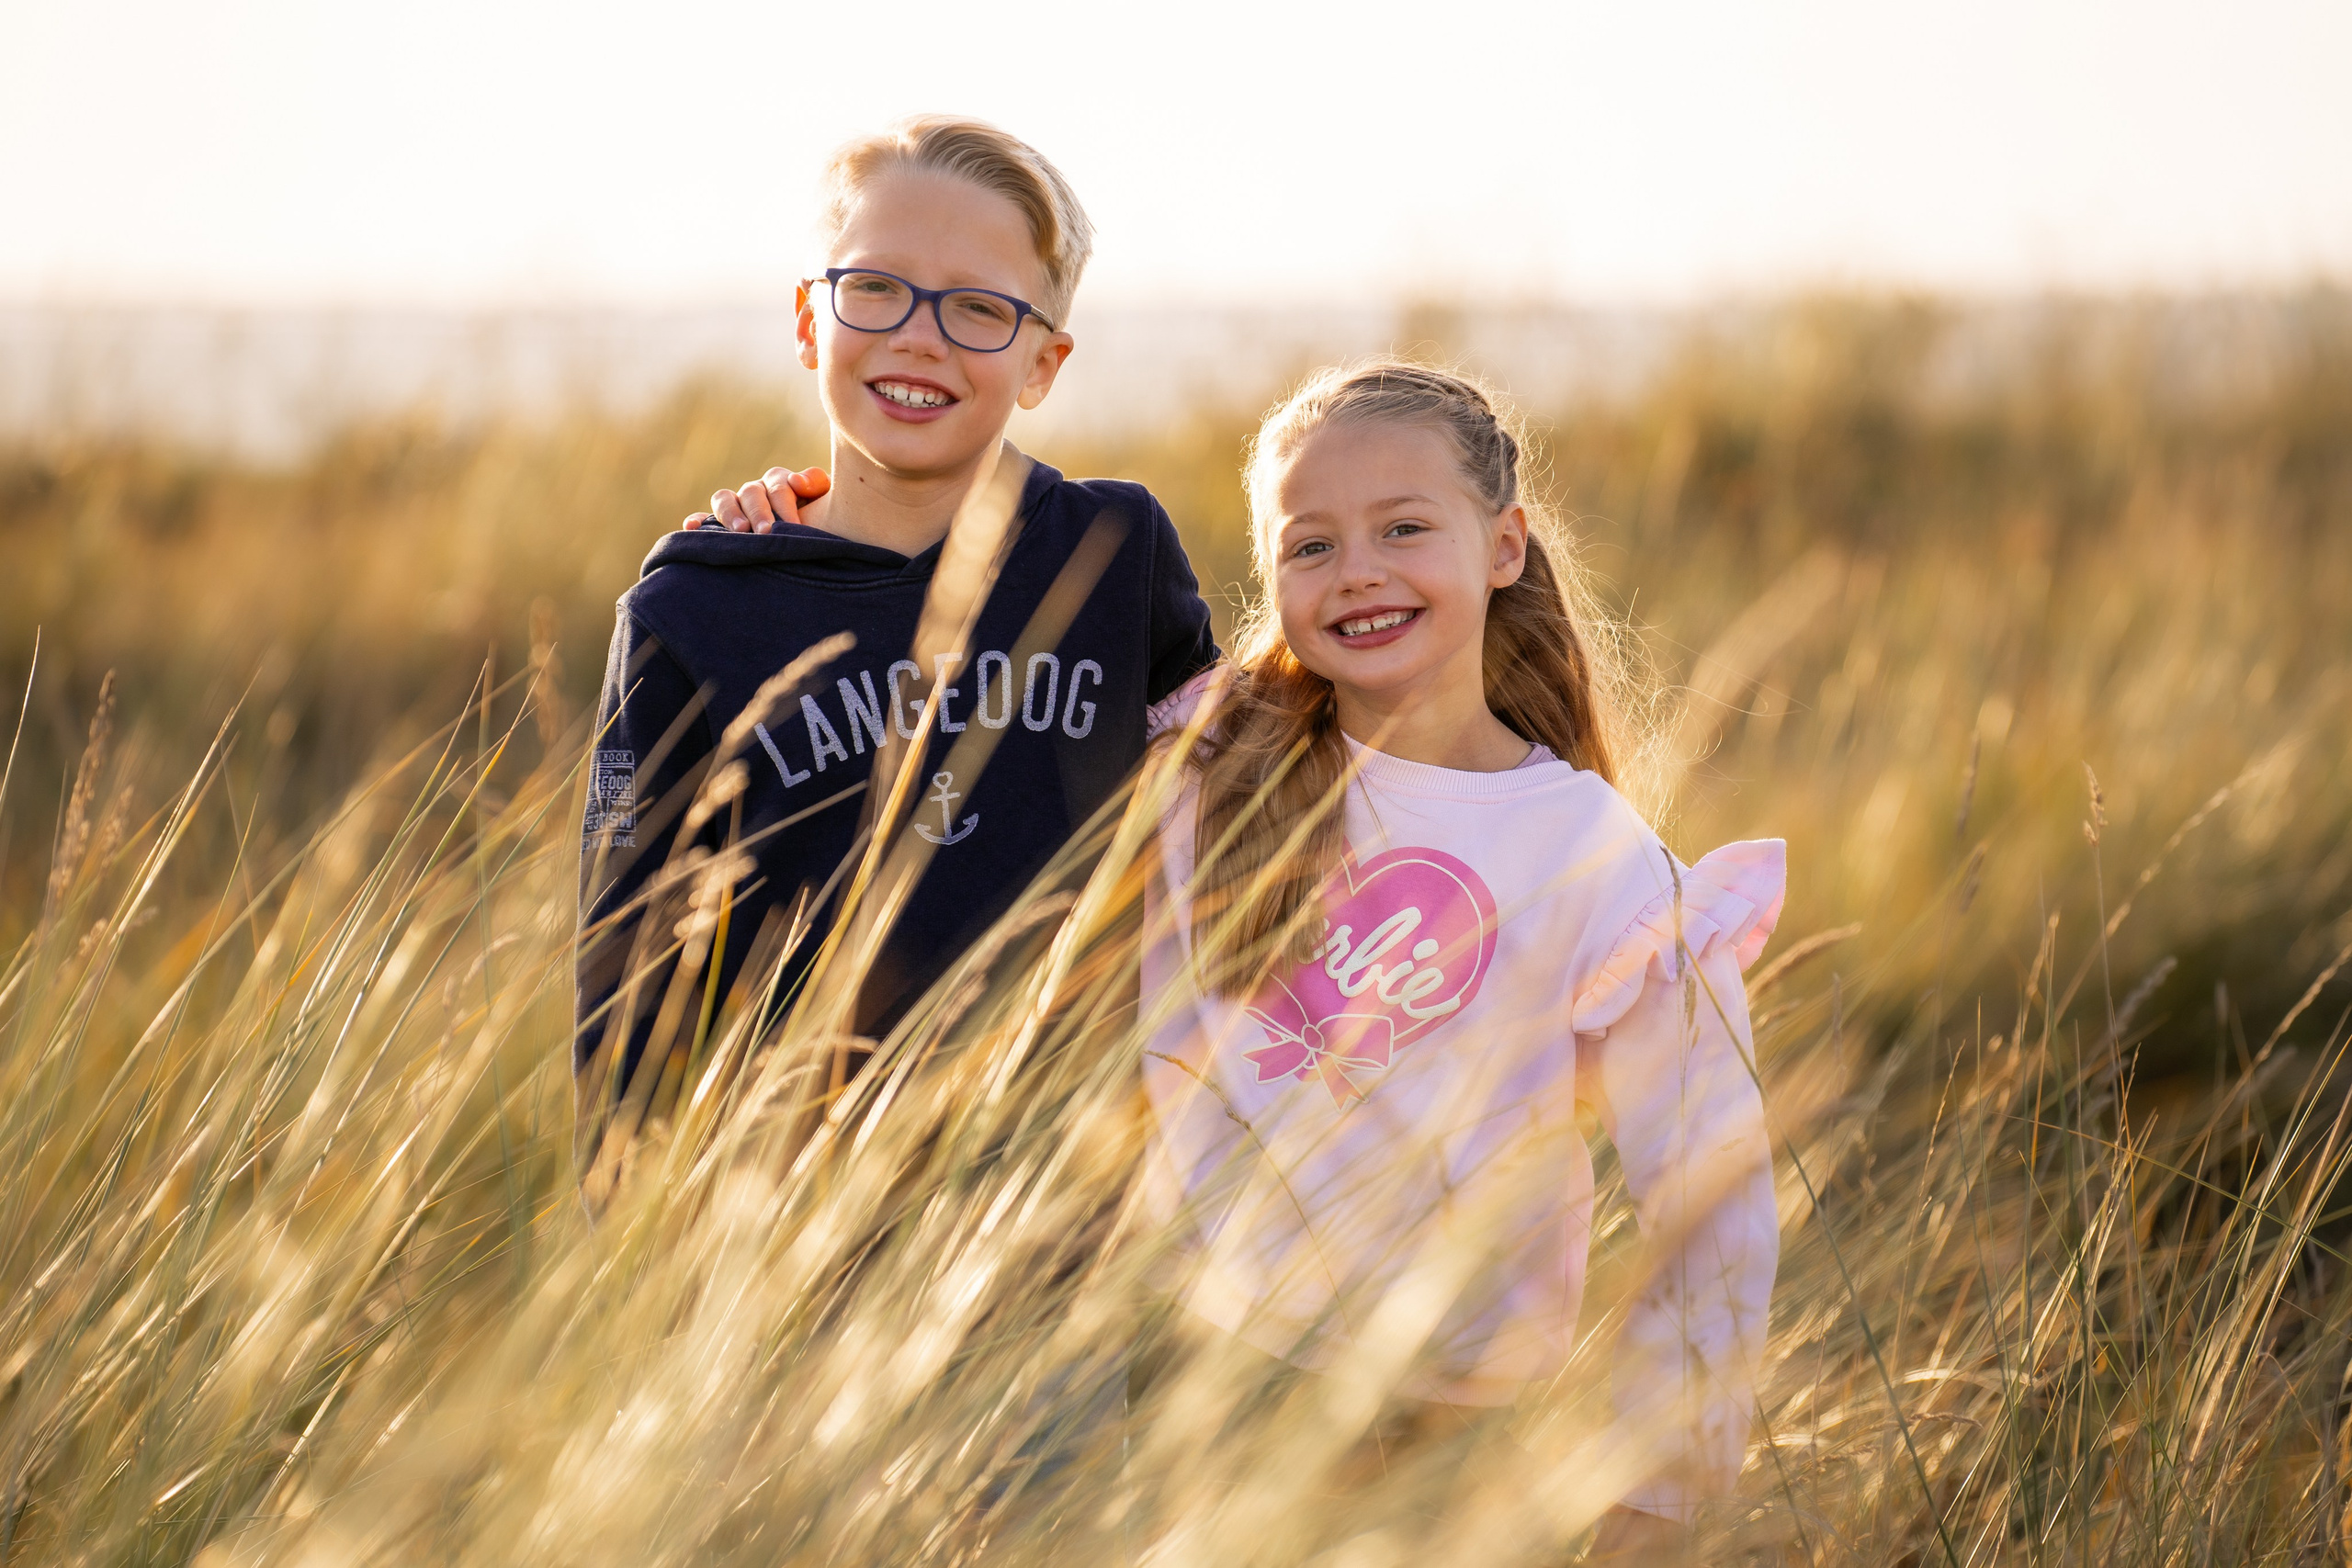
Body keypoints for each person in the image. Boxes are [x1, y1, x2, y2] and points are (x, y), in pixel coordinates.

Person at [1134, 361, 1781, 1556]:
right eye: (1309, 543)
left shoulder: (1588, 849)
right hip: (1187, 1364)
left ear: (1504, 545)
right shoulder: (1210, 764)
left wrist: (1666, 1480)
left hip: (1435, 1405)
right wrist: (779, 525)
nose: (1359, 569)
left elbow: (1712, 1185)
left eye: (1404, 527)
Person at [577, 117, 1218, 1124]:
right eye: (873, 288)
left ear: (1043, 363)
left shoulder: (1117, 555)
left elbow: (1257, 792)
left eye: (977, 307)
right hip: (788, 1220)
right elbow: (623, 984)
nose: (918, 335)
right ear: (807, 321)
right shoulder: (692, 607)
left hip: (1077, 1208)